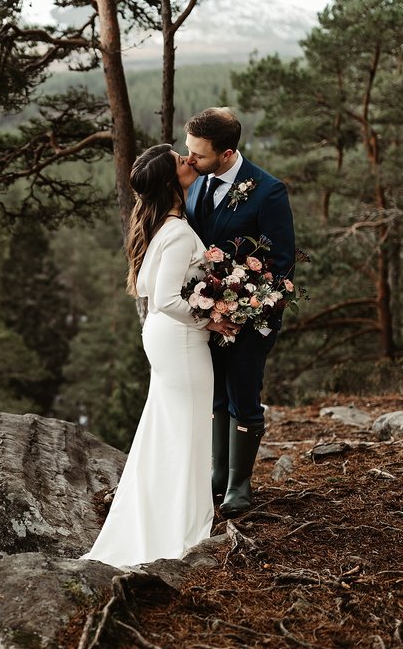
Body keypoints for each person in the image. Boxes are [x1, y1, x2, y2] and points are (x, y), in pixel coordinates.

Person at [82, 144, 239, 568]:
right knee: (185, 429)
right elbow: (169, 298)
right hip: (181, 339)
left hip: (169, 336)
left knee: (167, 427)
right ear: (171, 182)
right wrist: (213, 320)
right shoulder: (174, 231)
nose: (188, 160)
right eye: (180, 161)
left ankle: (163, 516)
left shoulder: (165, 227)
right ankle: (180, 527)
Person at [183, 107, 296, 518]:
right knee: (215, 393)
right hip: (208, 316)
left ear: (228, 153)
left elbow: (281, 262)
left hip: (252, 319)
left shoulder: (268, 191)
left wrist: (244, 308)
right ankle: (218, 474)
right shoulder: (198, 183)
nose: (189, 159)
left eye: (198, 153)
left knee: (243, 396)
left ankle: (240, 483)